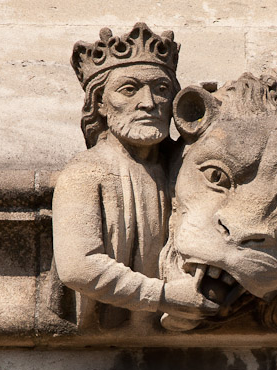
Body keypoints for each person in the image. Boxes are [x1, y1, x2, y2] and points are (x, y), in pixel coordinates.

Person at [49, 23, 219, 330]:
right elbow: (78, 266)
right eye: (129, 89)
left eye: (162, 90)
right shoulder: (86, 172)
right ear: (100, 102)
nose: (148, 102)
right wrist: (164, 295)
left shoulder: (186, 166)